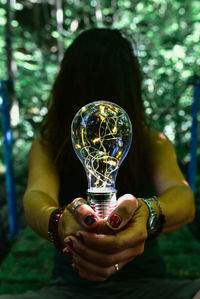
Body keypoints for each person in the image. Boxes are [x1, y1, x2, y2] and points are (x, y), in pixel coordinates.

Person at [1, 27, 200, 299]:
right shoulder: (49, 145)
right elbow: (37, 196)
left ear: (66, 79)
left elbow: (183, 198)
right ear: (131, 83)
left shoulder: (153, 141)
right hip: (70, 290)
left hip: (148, 286)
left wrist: (147, 212)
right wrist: (60, 222)